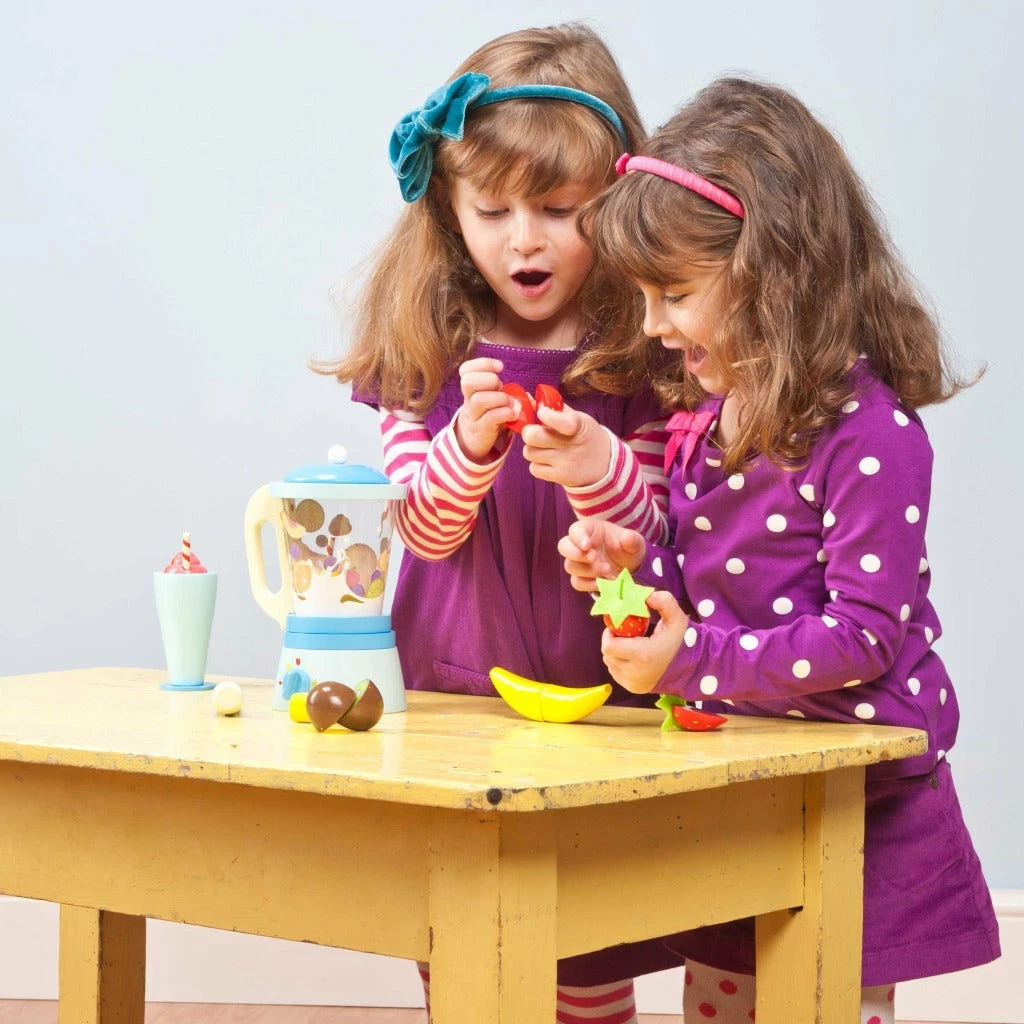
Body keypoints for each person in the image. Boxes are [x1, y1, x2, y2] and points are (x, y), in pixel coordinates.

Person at [559, 77, 1000, 1024]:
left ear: (775, 274)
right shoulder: (705, 424)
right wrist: (632, 572)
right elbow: (706, 589)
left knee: (824, 1002)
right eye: (645, 296)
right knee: (719, 1003)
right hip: (747, 782)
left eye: (675, 293)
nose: (653, 325)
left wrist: (688, 659)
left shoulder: (872, 437)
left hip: (854, 793)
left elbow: (864, 637)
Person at [319, 22, 677, 1023]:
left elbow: (652, 535)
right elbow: (419, 532)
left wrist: (598, 469)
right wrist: (467, 448)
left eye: (560, 210)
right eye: (494, 209)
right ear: (448, 206)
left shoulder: (643, 349)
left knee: (590, 942)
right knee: (461, 945)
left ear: (617, 202)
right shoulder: (425, 347)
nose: (525, 238)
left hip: (597, 691)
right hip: (453, 684)